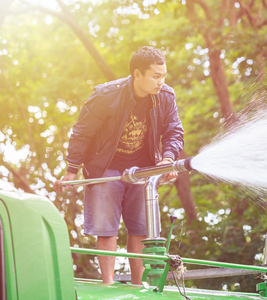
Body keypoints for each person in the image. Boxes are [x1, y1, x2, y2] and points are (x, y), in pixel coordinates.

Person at [54, 46, 184, 285]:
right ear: (137, 75)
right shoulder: (105, 95)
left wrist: (167, 159)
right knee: (106, 229)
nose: (160, 82)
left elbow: (174, 131)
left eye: (163, 75)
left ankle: (137, 285)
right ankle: (108, 284)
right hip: (105, 168)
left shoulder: (166, 96)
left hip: (143, 169)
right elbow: (81, 132)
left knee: (141, 228)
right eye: (155, 76)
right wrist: (72, 170)